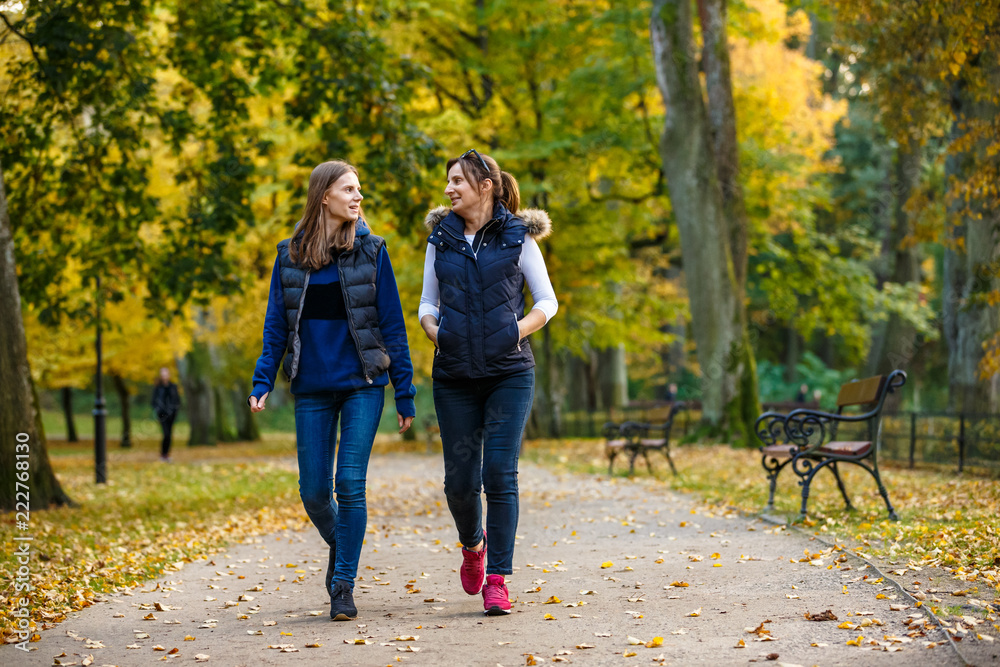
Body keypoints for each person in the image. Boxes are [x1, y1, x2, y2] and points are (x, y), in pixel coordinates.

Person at [247, 160, 416, 622]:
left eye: (360, 189)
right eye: (350, 189)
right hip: (312, 387)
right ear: (325, 196)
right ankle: (346, 547)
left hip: (363, 385)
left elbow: (392, 326)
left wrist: (404, 390)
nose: (359, 197)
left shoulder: (372, 251)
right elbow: (276, 326)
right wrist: (263, 379)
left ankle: (342, 584)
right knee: (314, 492)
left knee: (349, 485)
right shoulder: (289, 256)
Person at [419, 149, 558, 616]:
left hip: (508, 373)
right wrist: (436, 332)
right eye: (447, 181)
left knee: (499, 472)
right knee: (459, 483)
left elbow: (548, 301)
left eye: (457, 180)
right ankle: (472, 544)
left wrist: (515, 330)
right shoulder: (440, 239)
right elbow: (426, 303)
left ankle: (498, 577)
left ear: (485, 186)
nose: (448, 188)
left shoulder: (518, 237)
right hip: (455, 375)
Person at [151, 367, 181, 462]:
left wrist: (173, 410)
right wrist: (158, 410)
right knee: (166, 434)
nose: (164, 376)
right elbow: (153, 401)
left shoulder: (173, 387)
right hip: (162, 415)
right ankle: (163, 454)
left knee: (169, 434)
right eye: (162, 374)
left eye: (165, 374)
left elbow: (177, 400)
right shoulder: (158, 388)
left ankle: (166, 454)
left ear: (168, 375)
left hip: (172, 414)